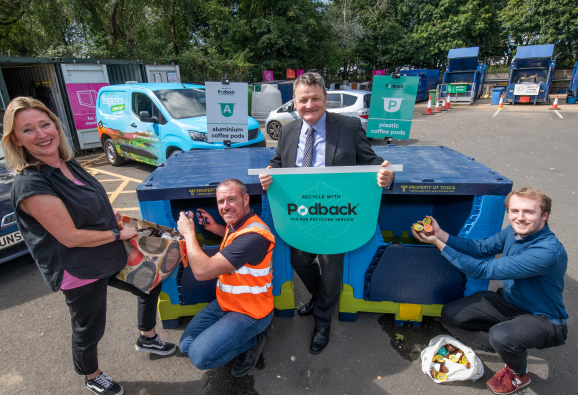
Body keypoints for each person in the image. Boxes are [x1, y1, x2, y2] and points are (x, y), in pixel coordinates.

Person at [3, 97, 176, 395]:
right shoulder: (31, 184)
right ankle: (92, 375)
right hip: (79, 267)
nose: (42, 134)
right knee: (89, 327)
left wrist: (119, 223)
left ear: (56, 126)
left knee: (149, 283)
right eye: (28, 130)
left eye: (45, 124)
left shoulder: (67, 163)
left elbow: (94, 203)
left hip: (107, 252)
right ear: (16, 139)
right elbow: (69, 236)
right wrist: (117, 234)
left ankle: (147, 337)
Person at [258, 72, 395, 354]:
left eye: (315, 98)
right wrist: (269, 174)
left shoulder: (349, 126)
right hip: (301, 213)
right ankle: (322, 298)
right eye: (303, 100)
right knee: (300, 260)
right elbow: (277, 162)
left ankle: (322, 321)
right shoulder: (288, 130)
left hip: (336, 212)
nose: (309, 105)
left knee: (331, 267)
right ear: (294, 102)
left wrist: (387, 173)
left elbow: (373, 162)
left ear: (325, 99)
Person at [411, 188, 568, 394]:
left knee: (501, 336)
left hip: (543, 318)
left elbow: (480, 270)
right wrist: (441, 234)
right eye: (514, 211)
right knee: (451, 314)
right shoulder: (513, 232)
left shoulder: (546, 252)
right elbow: (480, 248)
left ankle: (519, 373)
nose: (520, 218)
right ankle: (510, 336)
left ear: (544, 215)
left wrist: (437, 243)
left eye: (529, 212)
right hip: (510, 303)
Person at [177, 178, 275, 377]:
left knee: (200, 358)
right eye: (221, 202)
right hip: (225, 303)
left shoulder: (254, 236)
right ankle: (237, 337)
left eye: (231, 200)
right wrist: (215, 228)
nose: (225, 207)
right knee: (186, 346)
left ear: (246, 199)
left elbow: (202, 271)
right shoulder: (237, 224)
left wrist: (189, 233)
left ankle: (253, 341)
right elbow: (235, 243)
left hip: (250, 312)